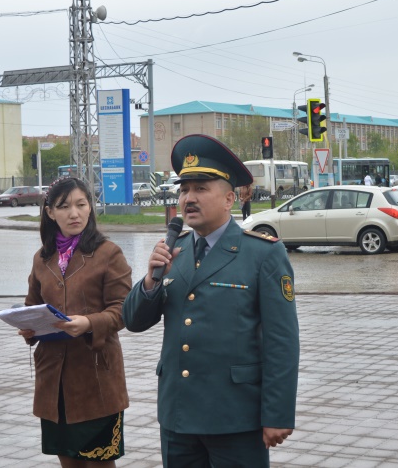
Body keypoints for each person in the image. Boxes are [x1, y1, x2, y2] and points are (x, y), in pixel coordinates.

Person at [122, 134, 300, 467]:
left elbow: (282, 342)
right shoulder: (177, 250)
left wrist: (277, 413)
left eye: (201, 188)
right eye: (184, 189)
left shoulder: (262, 253)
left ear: (229, 198)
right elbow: (133, 320)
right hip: (178, 416)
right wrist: (150, 279)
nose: (189, 197)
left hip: (236, 417)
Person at [20, 177, 132, 468]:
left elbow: (124, 309)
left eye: (81, 205)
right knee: (68, 462)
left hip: (95, 378)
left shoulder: (108, 253)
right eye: (65, 206)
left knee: (98, 463)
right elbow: (32, 306)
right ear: (50, 212)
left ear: (90, 208)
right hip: (53, 381)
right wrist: (27, 327)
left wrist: (89, 322)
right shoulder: (42, 258)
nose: (74, 213)